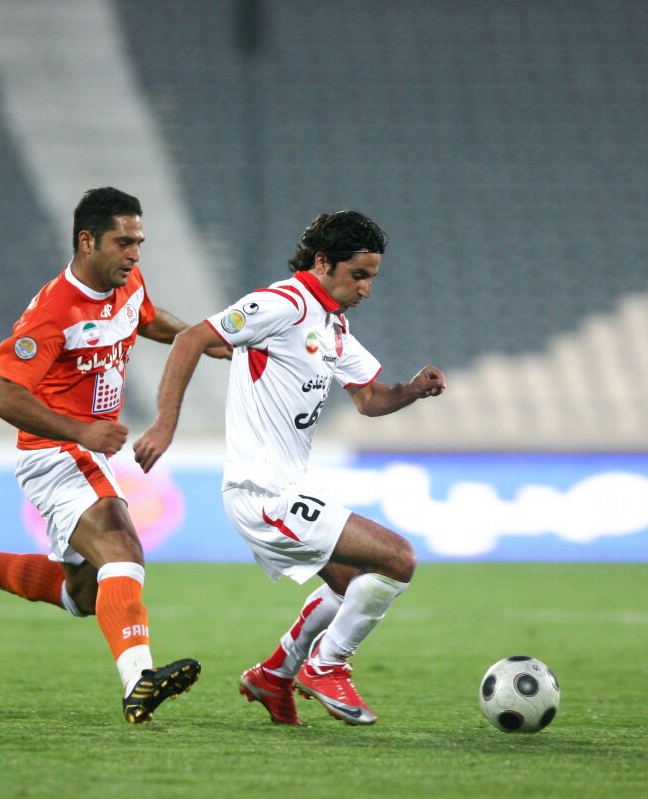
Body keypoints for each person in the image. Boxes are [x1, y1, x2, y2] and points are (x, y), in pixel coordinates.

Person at [0, 187, 225, 724]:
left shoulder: (126, 283)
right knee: (123, 550)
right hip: (57, 451)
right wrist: (80, 429)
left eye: (139, 242)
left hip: (85, 450)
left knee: (83, 593)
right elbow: (5, 398)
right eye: (123, 242)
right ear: (86, 241)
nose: (134, 254)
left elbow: (146, 318)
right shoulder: (54, 311)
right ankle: (139, 680)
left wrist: (201, 338)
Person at [133, 210, 446, 726]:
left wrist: (412, 390)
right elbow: (191, 340)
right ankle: (327, 665)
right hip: (262, 493)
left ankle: (275, 675)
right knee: (398, 558)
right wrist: (165, 425)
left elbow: (369, 398)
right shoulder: (283, 303)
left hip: (288, 488)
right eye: (358, 275)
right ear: (323, 262)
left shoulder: (331, 323)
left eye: (372, 277)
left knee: (351, 585)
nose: (366, 289)